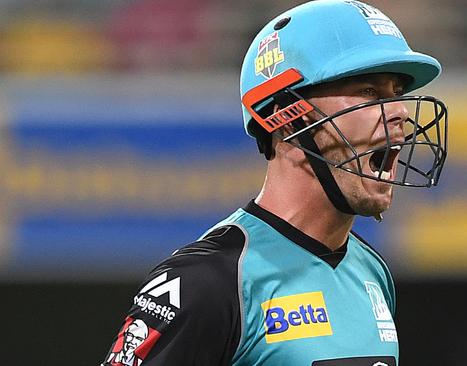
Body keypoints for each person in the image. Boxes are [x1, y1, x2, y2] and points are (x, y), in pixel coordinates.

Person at [102, 1, 448, 365]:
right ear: (287, 120)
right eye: (368, 92)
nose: (400, 112)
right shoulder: (208, 282)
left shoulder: (371, 272)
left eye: (396, 93)